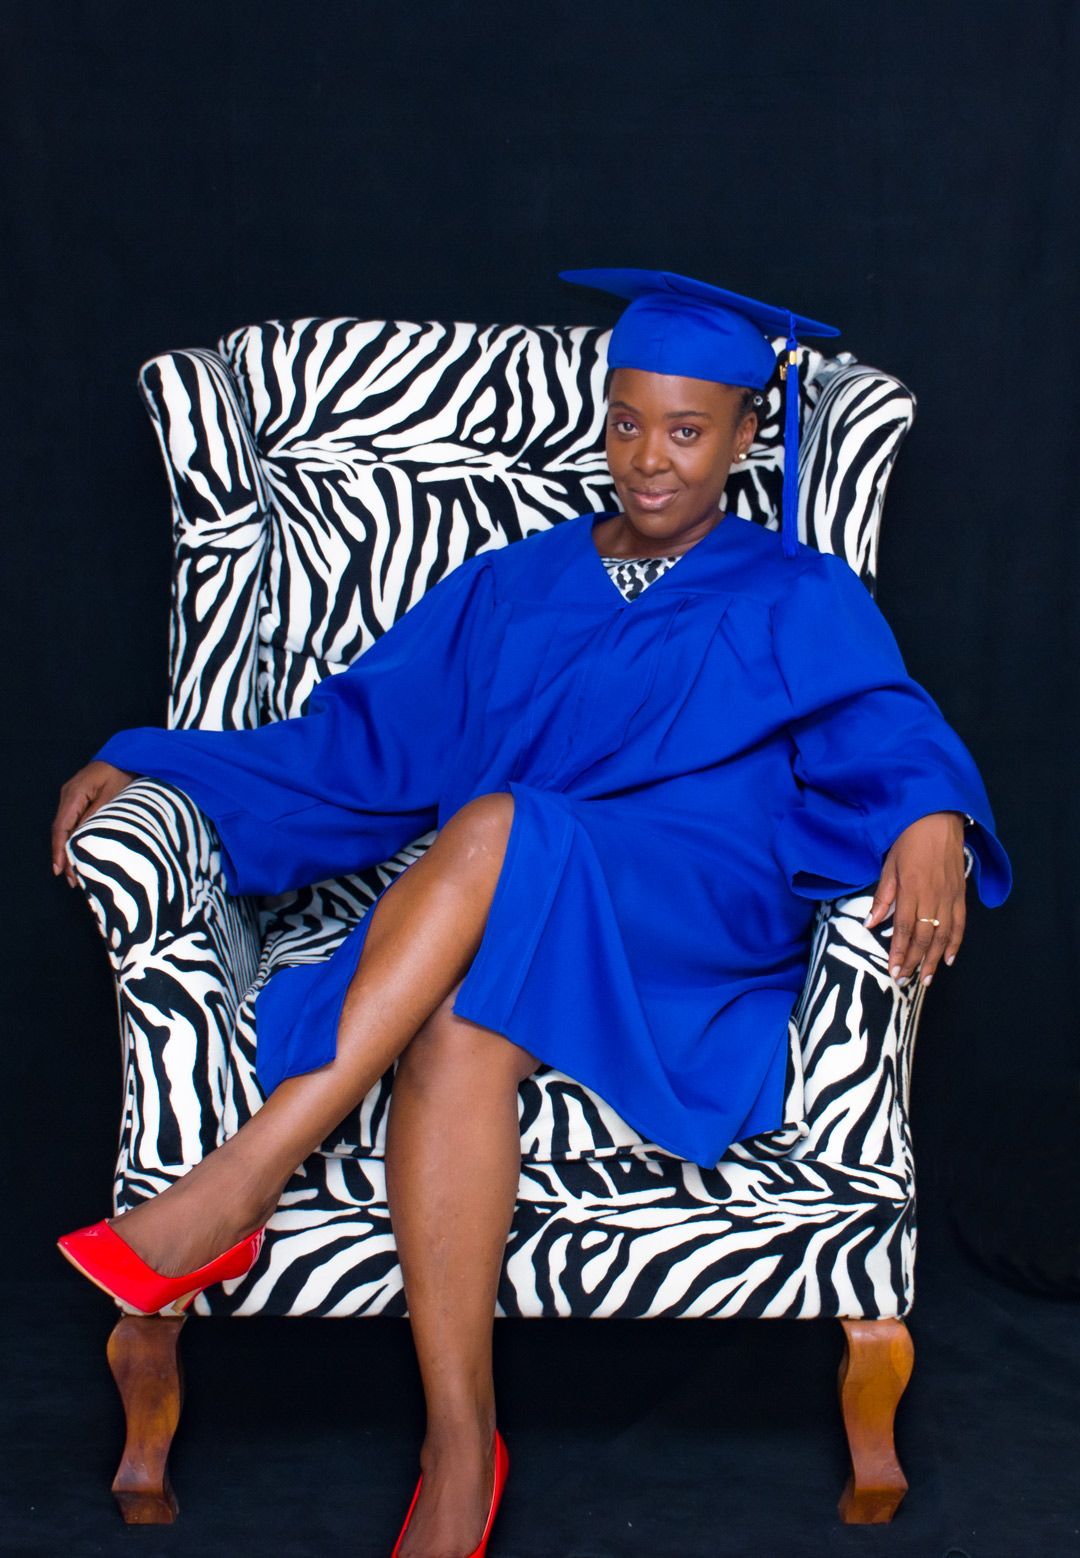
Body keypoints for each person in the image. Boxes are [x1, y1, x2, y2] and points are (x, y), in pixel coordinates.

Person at [50, 268, 1013, 1558]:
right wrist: (150, 761)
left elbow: (889, 724)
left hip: (695, 910)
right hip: (519, 907)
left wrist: (934, 811)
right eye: (627, 423)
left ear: (744, 435)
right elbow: (353, 749)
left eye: (688, 430)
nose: (650, 458)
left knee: (504, 820)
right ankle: (460, 1443)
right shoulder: (509, 587)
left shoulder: (798, 590)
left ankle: (246, 1176)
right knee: (457, 1027)